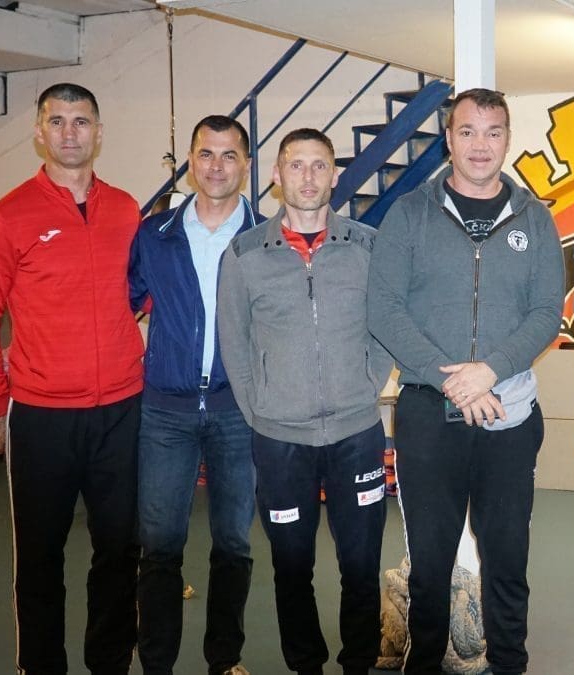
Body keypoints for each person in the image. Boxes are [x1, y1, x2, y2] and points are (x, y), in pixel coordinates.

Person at [367, 88, 564, 675]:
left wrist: (490, 370)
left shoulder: (535, 218)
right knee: (429, 562)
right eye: (468, 131)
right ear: (449, 140)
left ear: (508, 139)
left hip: (508, 412)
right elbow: (384, 310)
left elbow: (546, 312)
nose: (481, 145)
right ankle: (423, 664)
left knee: (507, 557)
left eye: (494, 132)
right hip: (428, 413)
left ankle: (510, 665)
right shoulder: (410, 213)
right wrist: (450, 380)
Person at [0, 82, 143, 674]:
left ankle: (109, 664)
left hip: (121, 410)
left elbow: (139, 294)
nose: (69, 133)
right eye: (56, 121)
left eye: (80, 121)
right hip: (41, 416)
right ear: (39, 132)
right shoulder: (6, 217)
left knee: (120, 550)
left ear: (98, 132)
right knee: (39, 558)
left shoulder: (126, 210)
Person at [217, 127, 392, 675]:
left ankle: (359, 662)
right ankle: (306, 665)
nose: (309, 177)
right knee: (291, 565)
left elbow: (386, 327)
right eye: (296, 165)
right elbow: (234, 343)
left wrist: (366, 385)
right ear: (276, 175)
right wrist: (262, 409)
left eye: (320, 166)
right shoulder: (244, 254)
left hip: (356, 434)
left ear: (335, 176)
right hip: (280, 441)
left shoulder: (368, 247)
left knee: (360, 563)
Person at [129, 115, 261, 675]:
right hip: (165, 411)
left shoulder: (264, 239)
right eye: (206, 154)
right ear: (190, 161)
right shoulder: (154, 236)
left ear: (246, 165)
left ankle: (223, 659)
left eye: (230, 155)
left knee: (233, 543)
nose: (217, 166)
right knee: (159, 544)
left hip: (238, 411)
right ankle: (156, 663)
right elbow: (118, 304)